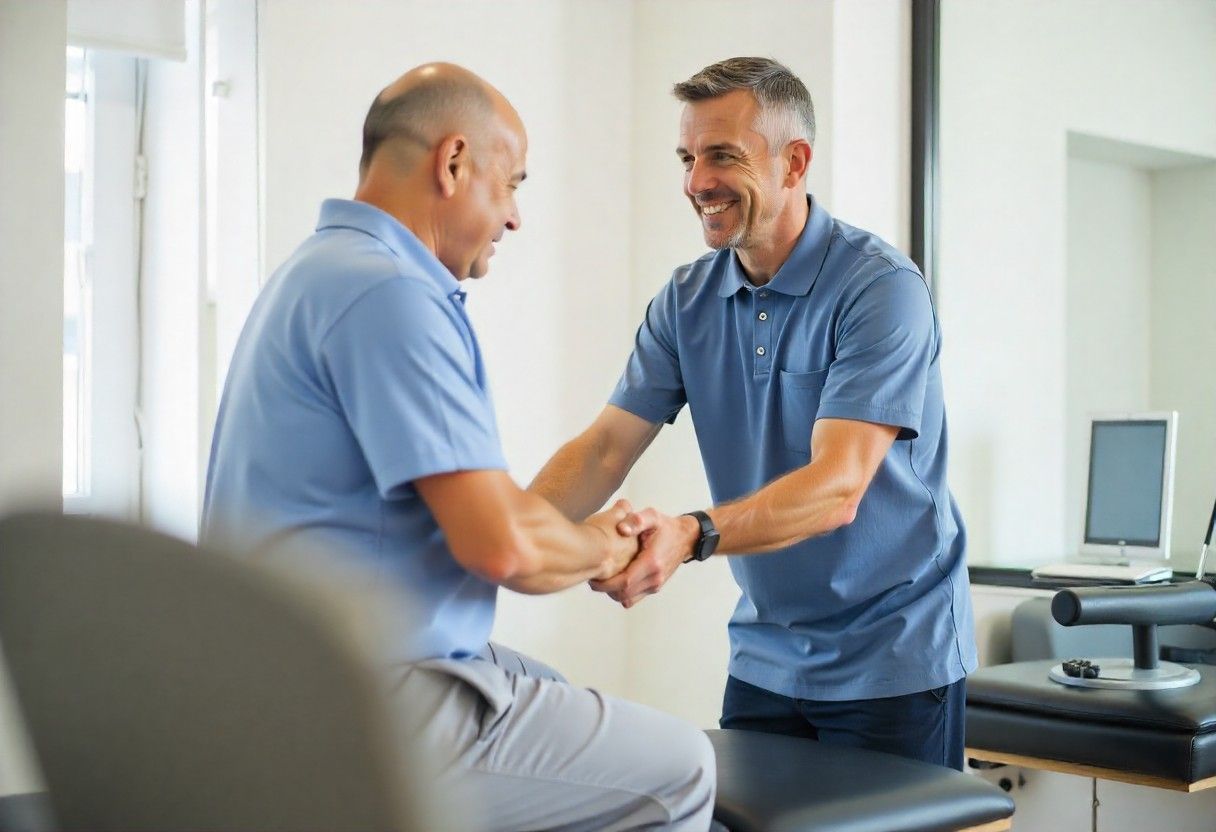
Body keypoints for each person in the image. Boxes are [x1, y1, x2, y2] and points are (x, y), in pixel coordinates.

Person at [201, 63, 716, 831]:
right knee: (679, 770)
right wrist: (603, 548)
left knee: (562, 697)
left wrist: (566, 536)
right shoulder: (390, 295)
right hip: (358, 698)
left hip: (294, 677)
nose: (514, 218)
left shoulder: (317, 273)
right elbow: (502, 547)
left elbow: (489, 508)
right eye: (511, 185)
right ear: (452, 164)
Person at [529, 57, 977, 770]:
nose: (696, 182)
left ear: (793, 162)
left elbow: (838, 489)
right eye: (687, 157)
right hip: (768, 654)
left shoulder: (880, 290)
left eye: (722, 156)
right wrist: (504, 536)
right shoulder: (686, 301)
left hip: (892, 654)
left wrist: (689, 534)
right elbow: (604, 450)